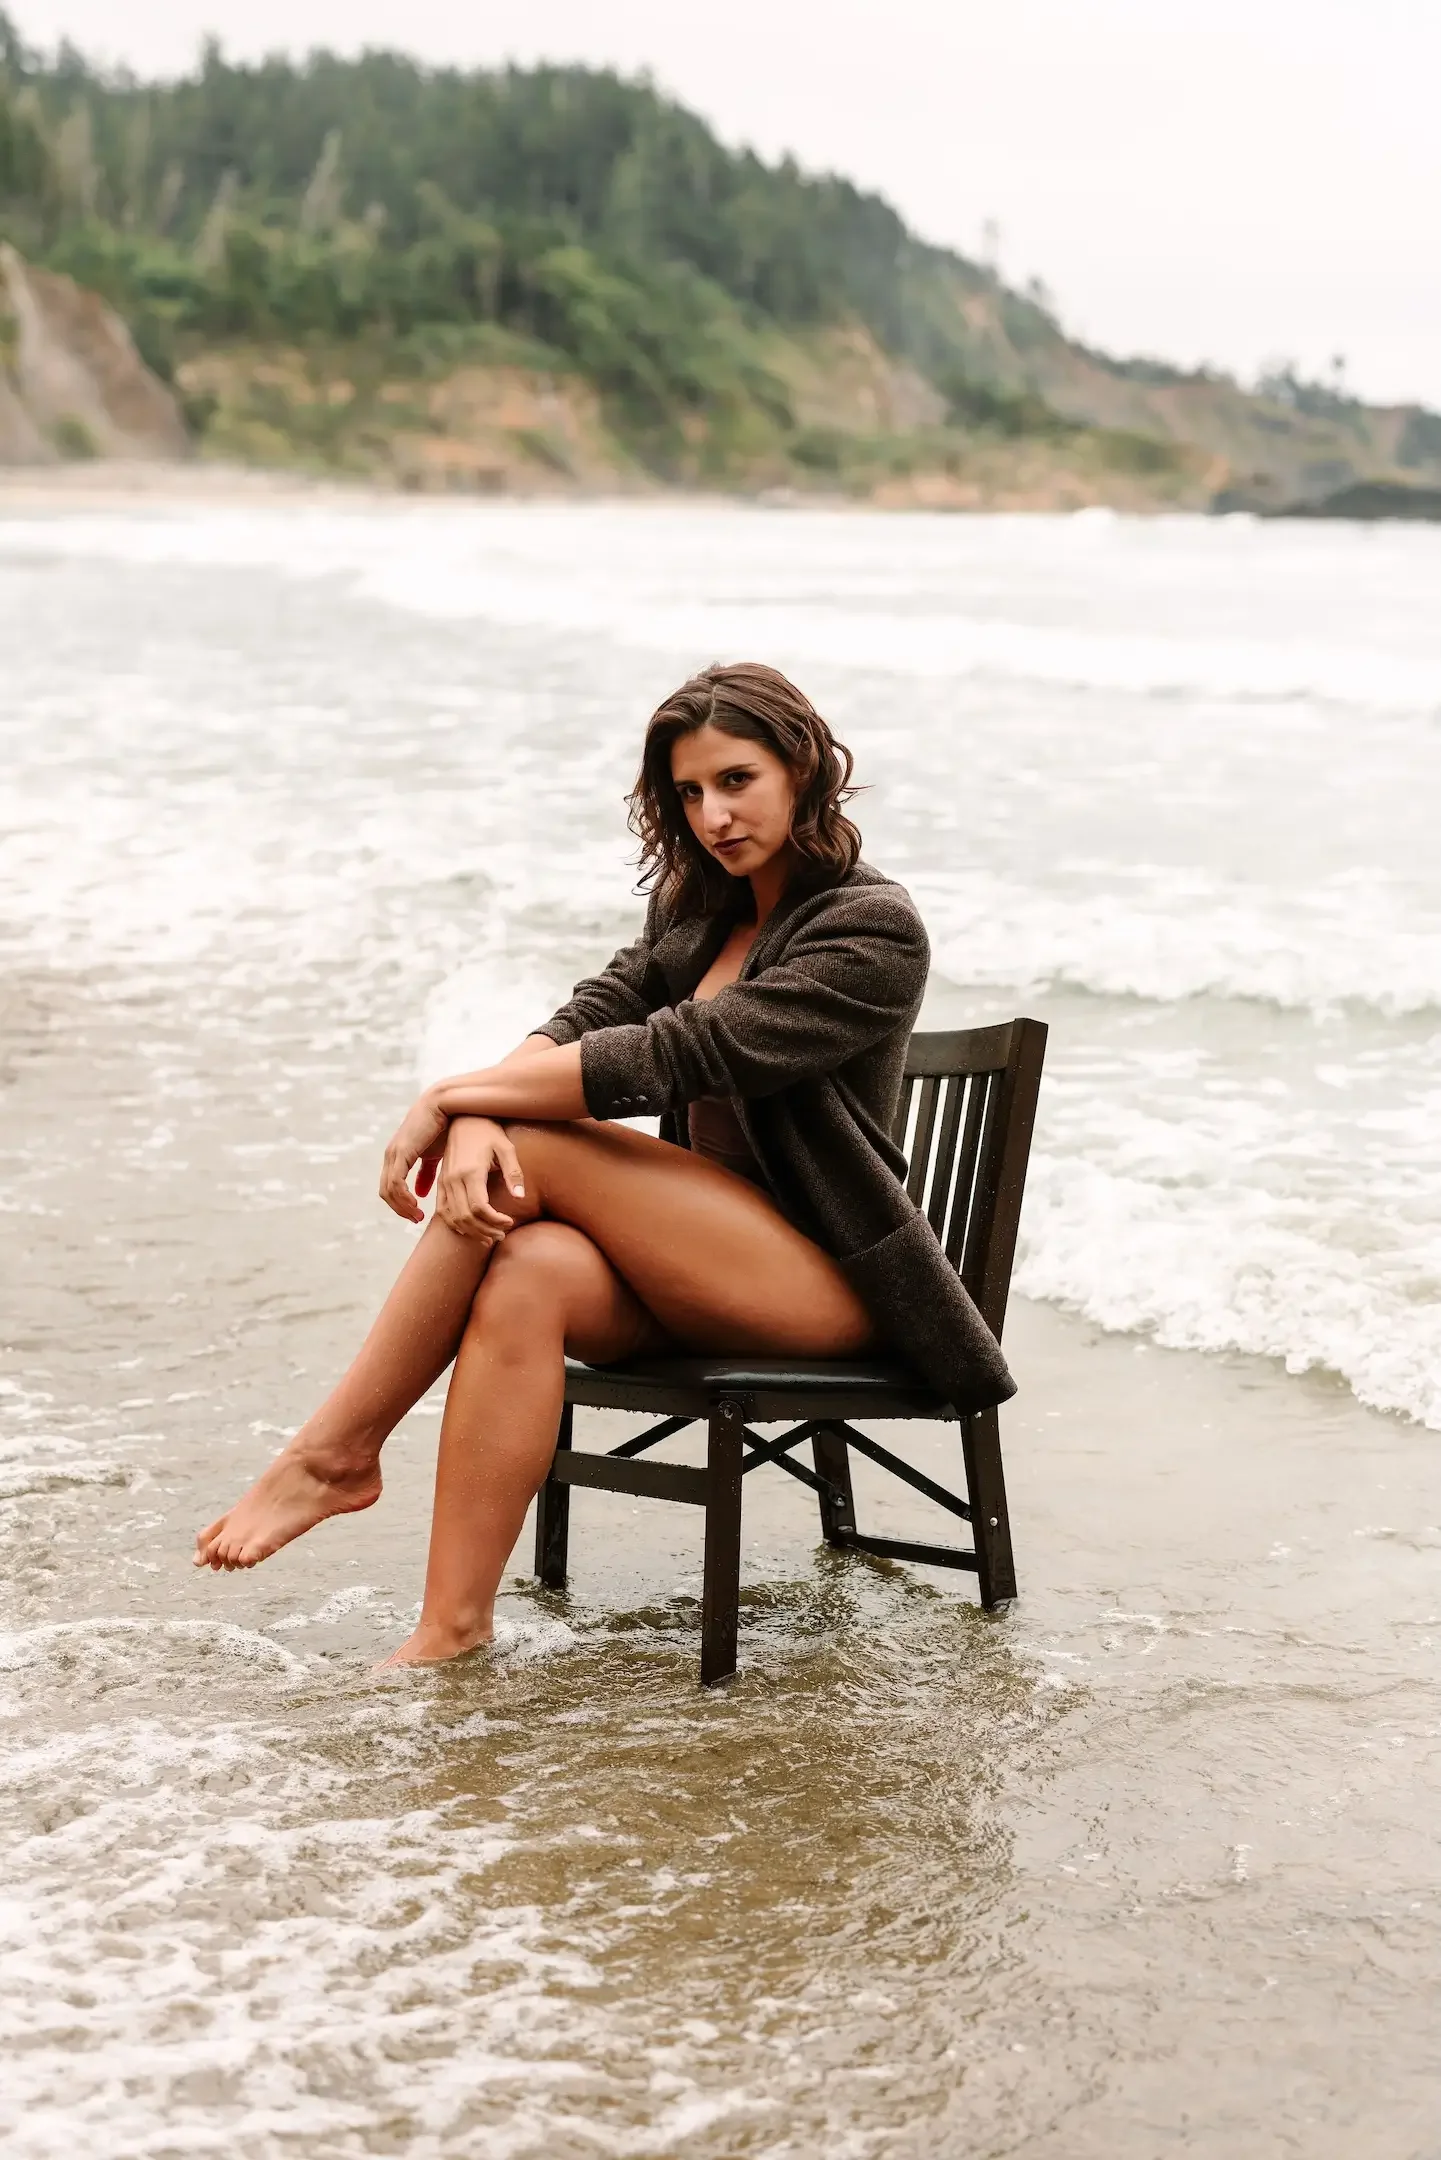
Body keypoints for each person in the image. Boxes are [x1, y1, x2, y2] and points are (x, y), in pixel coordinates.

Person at [193, 663, 1014, 1664]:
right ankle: (449, 1631)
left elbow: (678, 1054)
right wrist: (476, 1108)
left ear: (802, 768)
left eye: (737, 780)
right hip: (694, 1267)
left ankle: (335, 1454)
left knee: (533, 1143)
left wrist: (458, 1098)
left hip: (826, 1287)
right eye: (689, 792)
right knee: (527, 1265)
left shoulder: (869, 926)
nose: (713, 815)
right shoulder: (700, 906)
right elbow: (596, 1014)